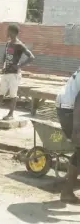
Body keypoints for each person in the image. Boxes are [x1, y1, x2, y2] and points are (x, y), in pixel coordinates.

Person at [0, 24, 35, 120]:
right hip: (6, 72)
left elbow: (31, 57)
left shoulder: (19, 45)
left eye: (8, 31)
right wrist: (3, 66)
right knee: (1, 93)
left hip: (14, 74)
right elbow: (5, 57)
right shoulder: (8, 43)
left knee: (13, 94)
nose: (7, 33)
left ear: (13, 32)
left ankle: (11, 114)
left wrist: (19, 65)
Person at [56, 68, 80, 204]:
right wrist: (77, 129)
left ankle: (67, 192)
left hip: (68, 106)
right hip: (70, 108)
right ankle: (67, 192)